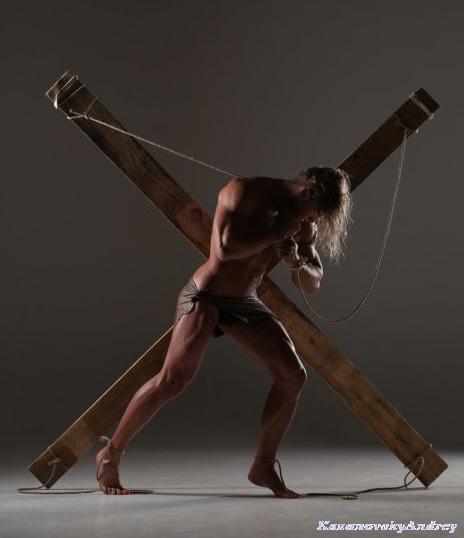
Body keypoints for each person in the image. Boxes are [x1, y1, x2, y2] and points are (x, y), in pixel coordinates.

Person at [96, 166, 352, 497]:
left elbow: (312, 282)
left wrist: (296, 264)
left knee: (293, 376)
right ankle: (110, 455)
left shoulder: (302, 221)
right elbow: (224, 249)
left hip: (244, 301)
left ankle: (263, 466)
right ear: (304, 193)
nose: (310, 221)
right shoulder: (245, 191)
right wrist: (276, 232)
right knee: (172, 381)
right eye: (312, 212)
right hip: (206, 294)